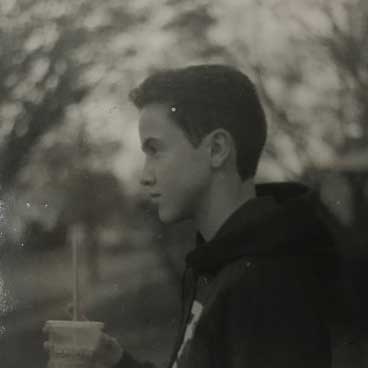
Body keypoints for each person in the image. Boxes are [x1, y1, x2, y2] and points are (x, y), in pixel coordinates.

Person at [46, 64, 341, 367]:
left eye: (155, 150)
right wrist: (115, 363)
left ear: (216, 149)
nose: (144, 177)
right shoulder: (215, 263)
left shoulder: (267, 283)